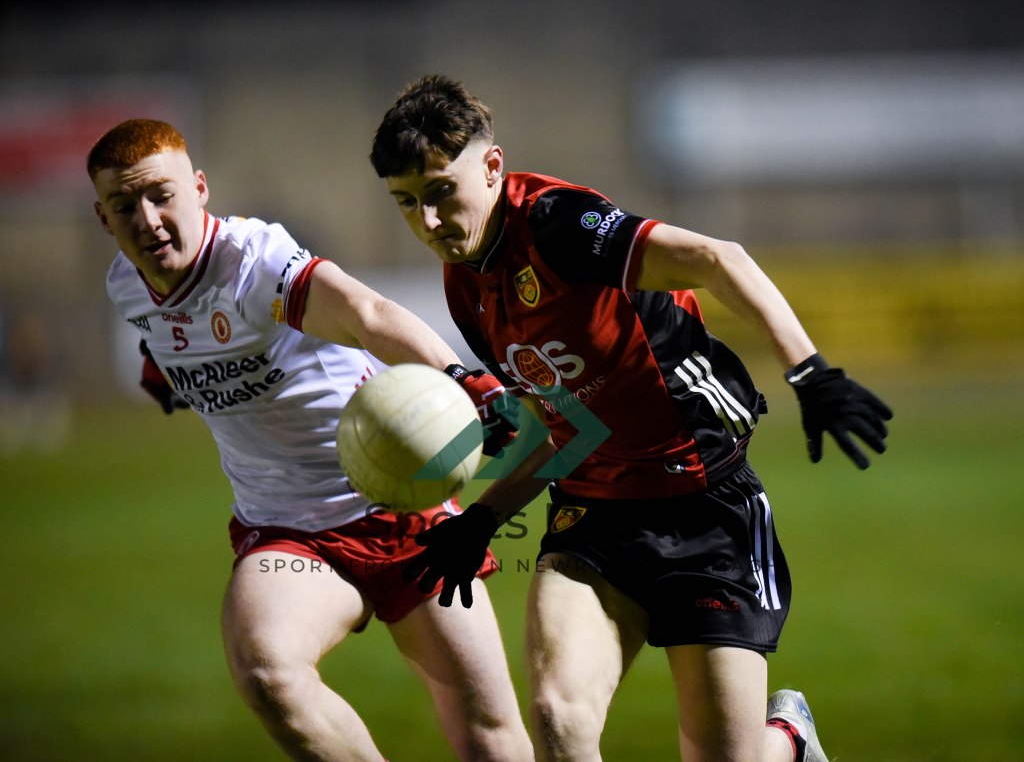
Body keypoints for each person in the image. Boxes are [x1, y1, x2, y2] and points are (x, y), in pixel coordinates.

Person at [369, 75, 894, 762]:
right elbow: (565, 426)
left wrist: (809, 371)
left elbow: (719, 259)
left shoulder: (560, 225)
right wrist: (484, 516)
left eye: (442, 191)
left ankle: (788, 741)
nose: (430, 222)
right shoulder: (465, 284)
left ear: (492, 167)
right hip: (595, 515)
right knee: (558, 717)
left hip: (704, 505)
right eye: (407, 202)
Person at [88, 118, 533, 762]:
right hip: (287, 531)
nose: (149, 220)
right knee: (268, 673)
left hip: (402, 507)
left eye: (162, 195)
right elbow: (176, 338)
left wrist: (465, 381)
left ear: (200, 189)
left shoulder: (252, 263)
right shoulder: (126, 286)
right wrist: (167, 377)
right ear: (103, 218)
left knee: (488, 734)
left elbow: (367, 314)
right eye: (125, 205)